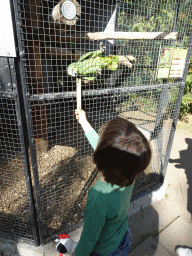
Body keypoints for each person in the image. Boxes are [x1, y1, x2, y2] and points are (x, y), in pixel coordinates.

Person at [74, 108, 152, 256]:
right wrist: (84, 122)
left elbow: (89, 237)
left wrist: (77, 254)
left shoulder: (98, 197)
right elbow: (106, 149)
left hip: (105, 251)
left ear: (102, 157)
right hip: (123, 237)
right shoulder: (129, 172)